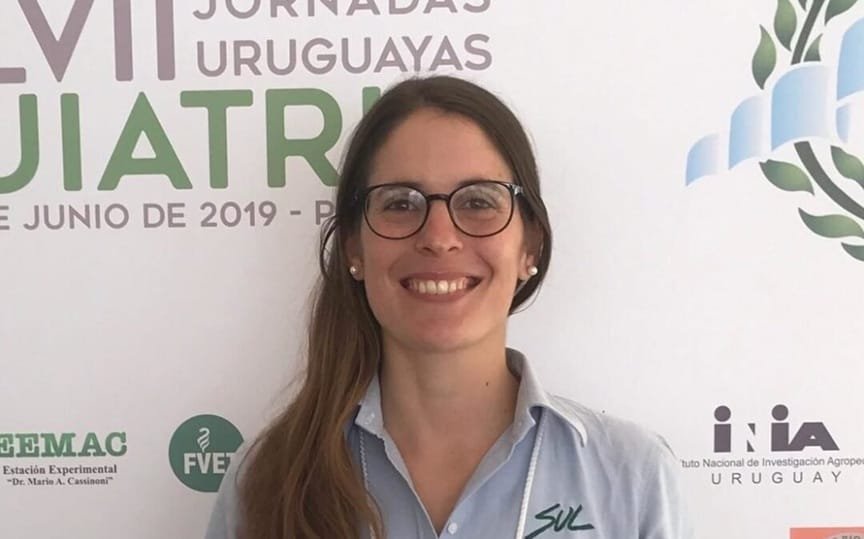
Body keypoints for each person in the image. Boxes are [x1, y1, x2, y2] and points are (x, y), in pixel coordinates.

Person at [205, 76, 693, 539]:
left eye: (478, 202)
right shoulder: (268, 477)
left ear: (530, 246)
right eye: (401, 203)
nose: (439, 238)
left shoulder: (631, 477)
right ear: (354, 248)